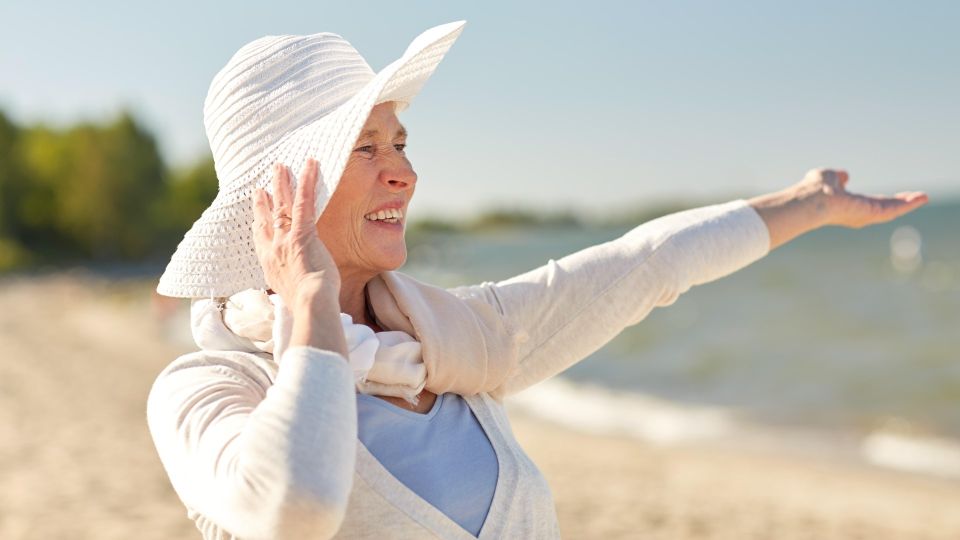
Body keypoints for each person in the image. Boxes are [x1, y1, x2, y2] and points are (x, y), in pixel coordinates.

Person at [146, 21, 929, 539]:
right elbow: (296, 505)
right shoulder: (209, 390)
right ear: (284, 190)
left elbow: (644, 266)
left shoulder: (453, 340)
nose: (406, 174)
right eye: (366, 149)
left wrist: (808, 203)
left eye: (402, 143)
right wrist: (311, 302)